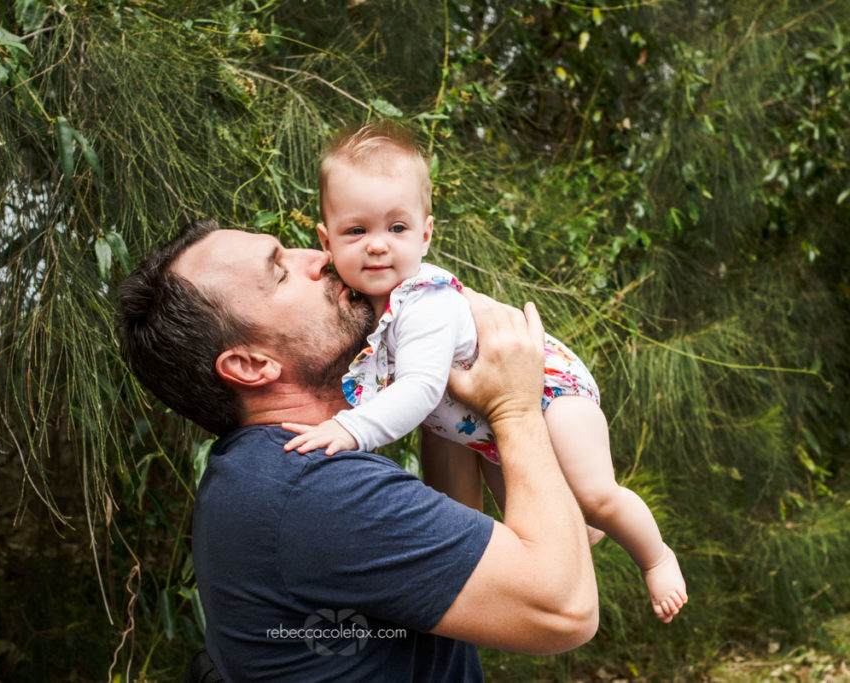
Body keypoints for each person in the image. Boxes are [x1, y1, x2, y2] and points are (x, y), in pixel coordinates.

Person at [117, 218, 598, 681]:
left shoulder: (264, 468)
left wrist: (439, 371)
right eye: (281, 270)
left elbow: (463, 559)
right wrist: (516, 408)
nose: (323, 257)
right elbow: (564, 608)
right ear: (249, 364)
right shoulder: (317, 490)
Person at [281, 122, 687, 623]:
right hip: (483, 422)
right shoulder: (361, 308)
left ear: (426, 233)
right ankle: (580, 529)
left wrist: (349, 429)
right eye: (356, 230)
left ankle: (656, 556)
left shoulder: (422, 303)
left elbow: (420, 388)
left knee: (596, 494)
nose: (378, 245)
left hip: (548, 392)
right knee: (530, 523)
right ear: (326, 239)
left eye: (397, 228)